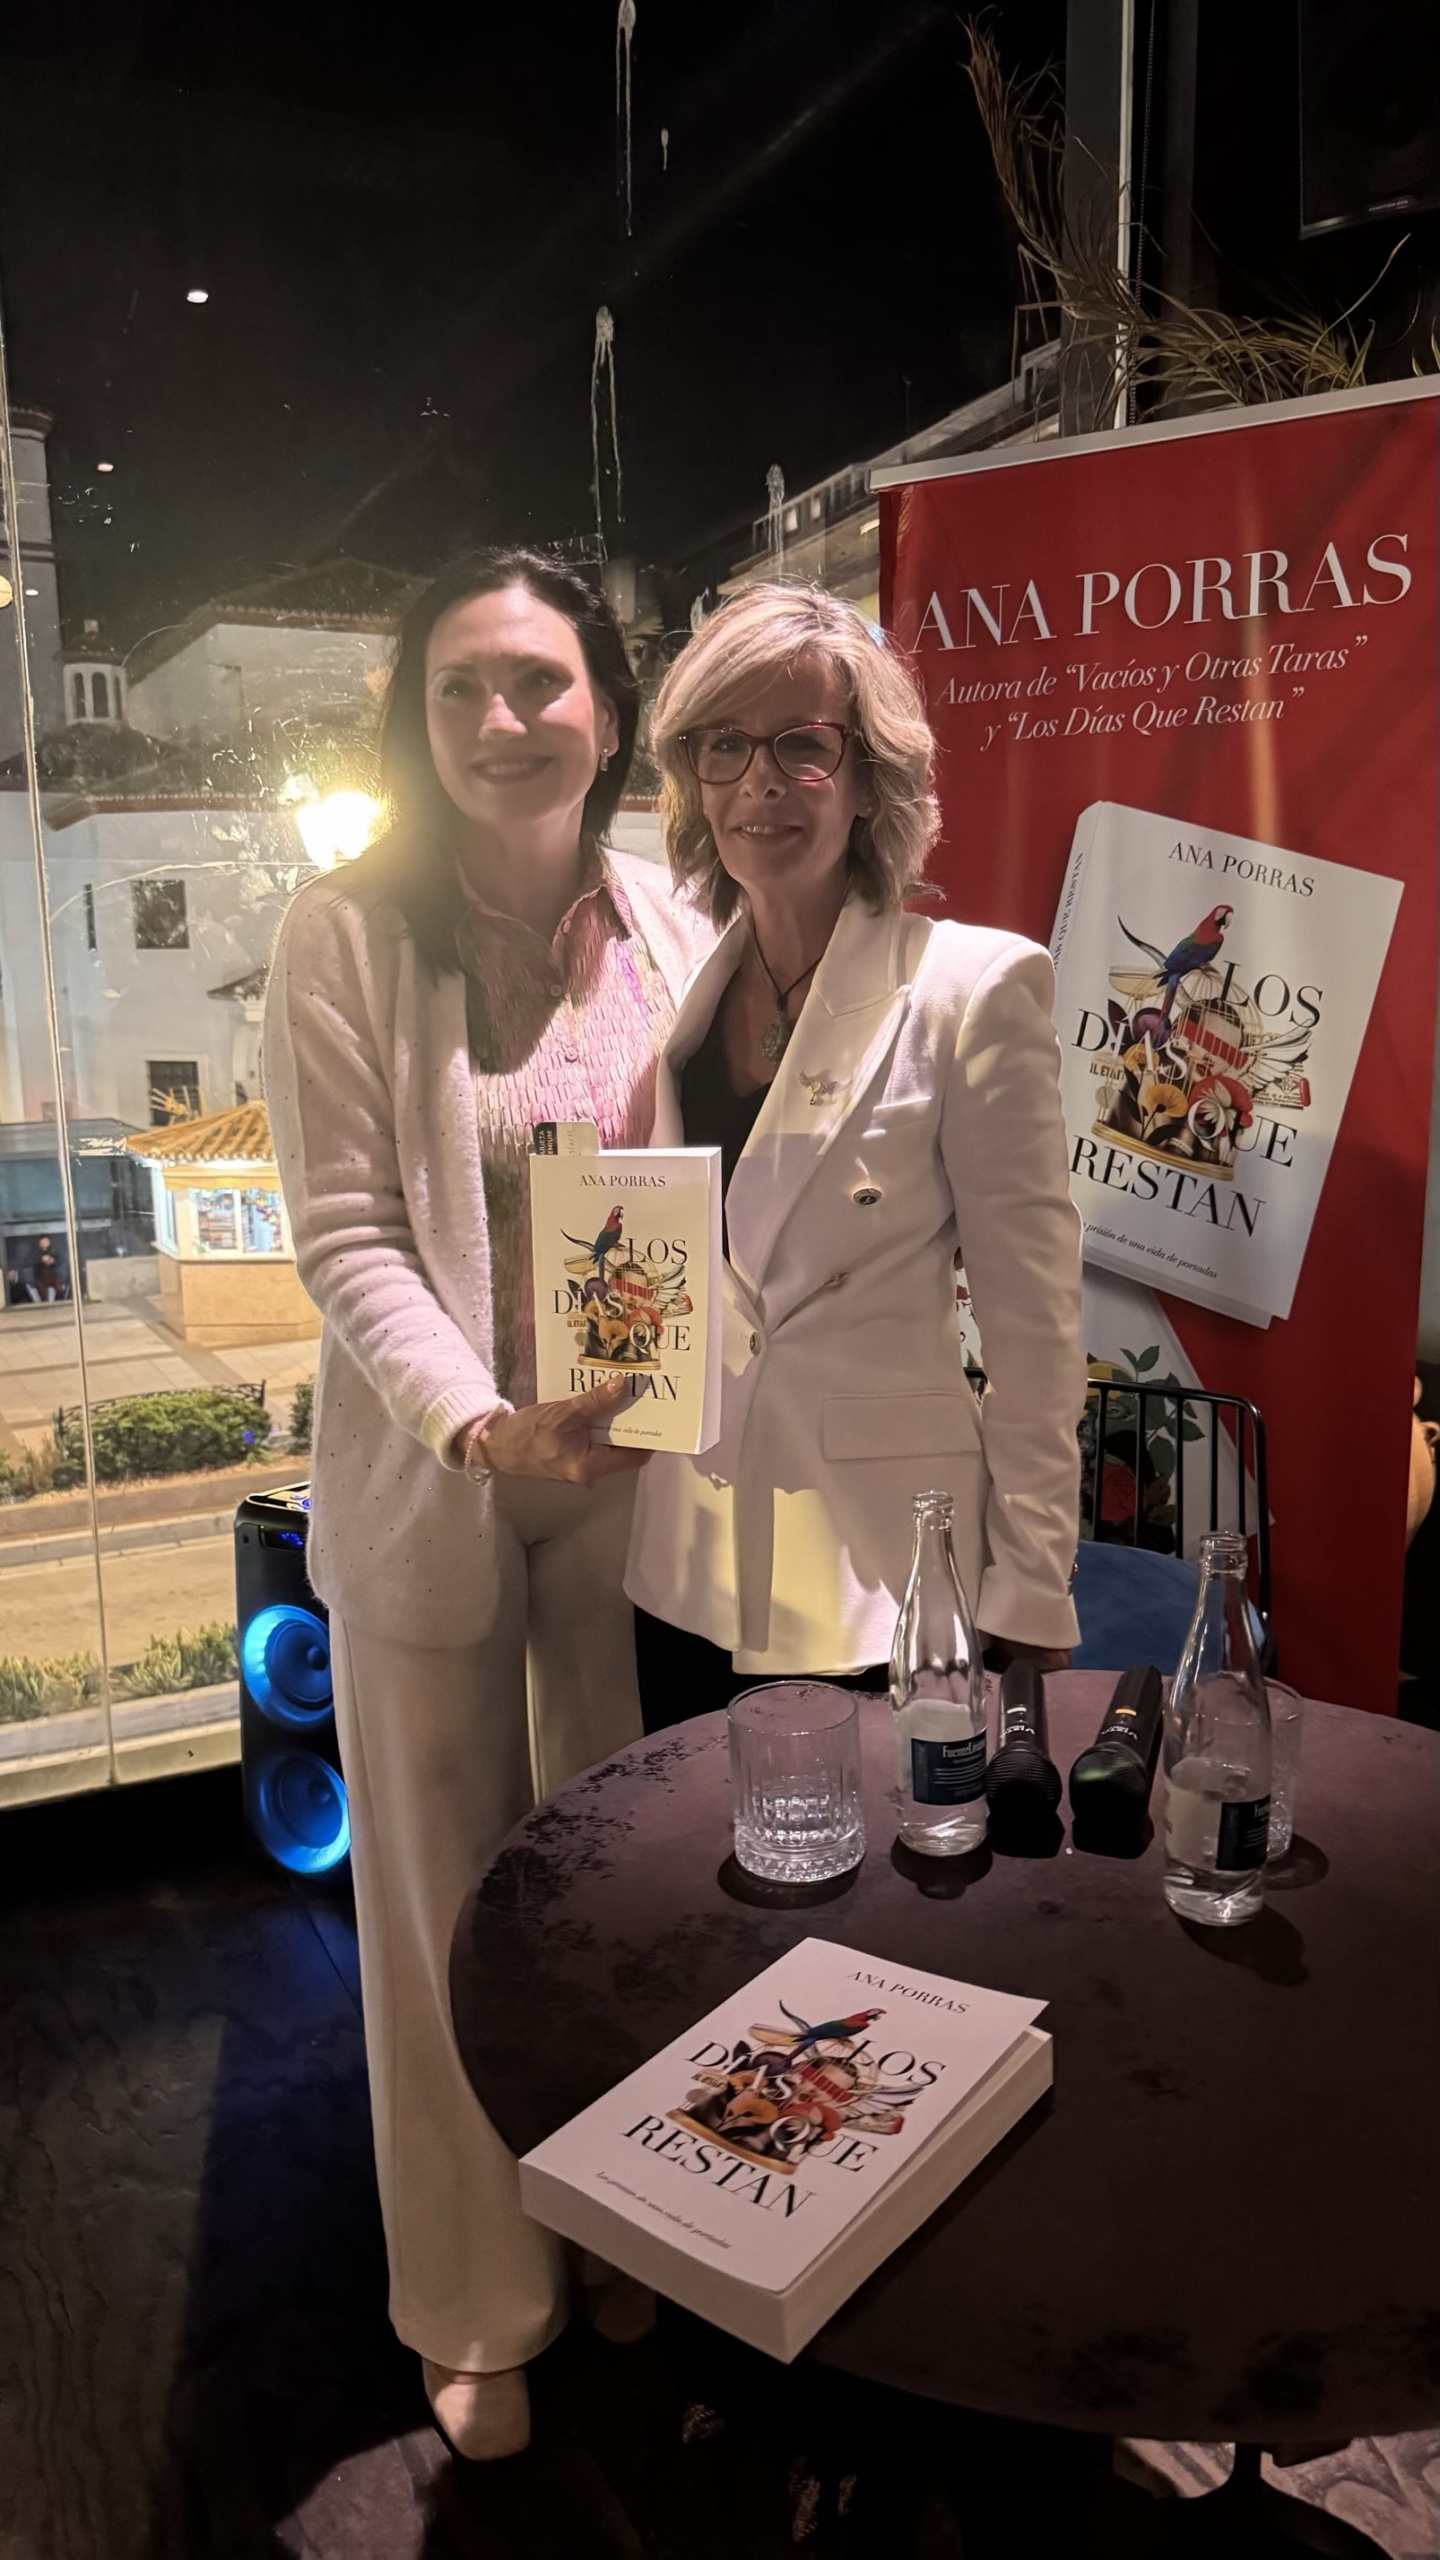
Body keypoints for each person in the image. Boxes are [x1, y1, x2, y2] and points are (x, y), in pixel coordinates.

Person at [263, 548, 708, 2460]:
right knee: (445, 1906)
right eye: (458, 688)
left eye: (538, 681)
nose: (501, 720)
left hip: (629, 1489)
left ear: (607, 707)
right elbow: (345, 1235)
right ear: (417, 722)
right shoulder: (347, 935)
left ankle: (612, 2225)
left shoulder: (676, 920)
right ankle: (473, 2302)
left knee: (608, 1892)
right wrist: (477, 1424)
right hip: (437, 1488)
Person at [625, 583, 1084, 1719]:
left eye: (802, 744)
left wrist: (1034, 1581)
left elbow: (1032, 1322)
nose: (760, 781)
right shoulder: (670, 994)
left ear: (870, 776)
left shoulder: (972, 988)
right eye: (724, 745)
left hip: (884, 1572)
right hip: (687, 1557)